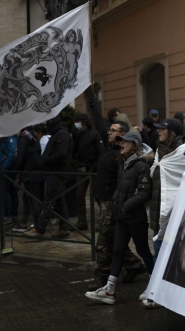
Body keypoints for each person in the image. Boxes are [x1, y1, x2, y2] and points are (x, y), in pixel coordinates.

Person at [85, 132, 154, 305]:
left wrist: (125, 206)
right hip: (122, 216)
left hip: (135, 217)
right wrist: (117, 206)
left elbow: (145, 193)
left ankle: (154, 287)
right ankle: (109, 291)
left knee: (143, 250)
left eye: (125, 141)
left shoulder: (141, 166)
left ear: (135, 145)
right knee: (117, 251)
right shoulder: (124, 164)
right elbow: (120, 188)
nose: (121, 144)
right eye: (120, 141)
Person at [88, 95, 145, 291]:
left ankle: (101, 278)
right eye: (109, 130)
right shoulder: (109, 147)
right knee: (112, 239)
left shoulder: (122, 153)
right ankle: (135, 265)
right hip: (102, 200)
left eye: (113, 131)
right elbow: (99, 124)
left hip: (111, 203)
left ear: (122, 135)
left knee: (103, 241)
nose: (108, 133)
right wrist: (93, 104)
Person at [25, 116, 73, 238]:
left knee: (49, 200)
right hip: (55, 171)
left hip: (56, 172)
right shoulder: (58, 133)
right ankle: (64, 228)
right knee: (59, 200)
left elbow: (62, 153)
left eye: (50, 121)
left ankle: (40, 229)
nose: (48, 124)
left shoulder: (62, 134)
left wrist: (46, 160)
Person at [150, 119, 185, 264]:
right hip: (159, 208)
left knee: (175, 253)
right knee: (158, 252)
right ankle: (155, 286)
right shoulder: (159, 151)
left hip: (177, 211)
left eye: (162, 128)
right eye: (157, 128)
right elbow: (155, 175)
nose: (158, 131)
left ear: (171, 132)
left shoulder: (183, 152)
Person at [73, 113, 104, 230]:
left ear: (84, 122)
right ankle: (82, 221)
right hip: (82, 168)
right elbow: (74, 150)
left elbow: (101, 151)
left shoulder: (94, 134)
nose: (76, 124)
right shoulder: (78, 135)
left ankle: (103, 220)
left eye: (78, 121)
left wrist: (95, 166)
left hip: (93, 169)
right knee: (79, 196)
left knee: (97, 196)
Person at [12, 128, 44, 233]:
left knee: (32, 200)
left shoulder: (23, 140)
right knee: (28, 199)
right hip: (36, 174)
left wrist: (17, 171)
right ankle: (23, 222)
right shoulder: (33, 139)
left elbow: (20, 158)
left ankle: (38, 227)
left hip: (29, 174)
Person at [0, 135, 19, 225]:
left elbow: (12, 154)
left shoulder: (10, 138)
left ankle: (8, 216)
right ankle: (13, 215)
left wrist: (4, 167)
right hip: (8, 169)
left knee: (5, 192)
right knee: (12, 192)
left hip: (8, 170)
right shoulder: (7, 137)